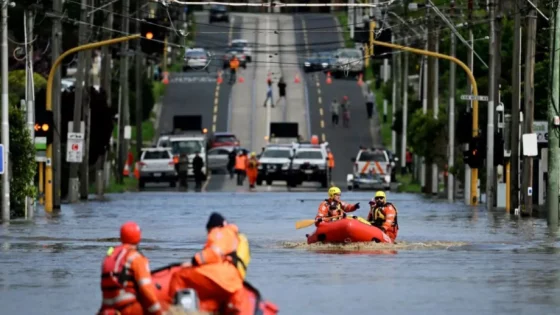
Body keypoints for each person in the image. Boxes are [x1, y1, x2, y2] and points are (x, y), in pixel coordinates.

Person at [168, 213, 247, 314]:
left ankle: (173, 310)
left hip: (219, 276)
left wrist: (193, 262)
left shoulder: (219, 233)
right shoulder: (235, 236)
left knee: (178, 276)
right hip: (234, 281)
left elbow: (214, 253)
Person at [98, 222, 163, 315]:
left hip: (107, 310)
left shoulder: (109, 256)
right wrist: (158, 312)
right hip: (128, 309)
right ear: (138, 236)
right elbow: (146, 289)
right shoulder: (136, 258)